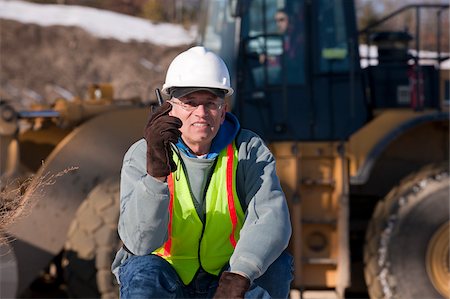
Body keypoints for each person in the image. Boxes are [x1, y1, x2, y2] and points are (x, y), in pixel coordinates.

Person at [111, 46, 293, 298]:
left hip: (226, 277)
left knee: (276, 267)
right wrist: (155, 176)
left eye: (210, 104)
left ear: (223, 111)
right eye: (189, 103)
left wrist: (240, 274)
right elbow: (140, 243)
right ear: (169, 108)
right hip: (166, 276)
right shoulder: (140, 155)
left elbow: (272, 220)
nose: (201, 113)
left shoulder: (249, 151)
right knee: (141, 271)